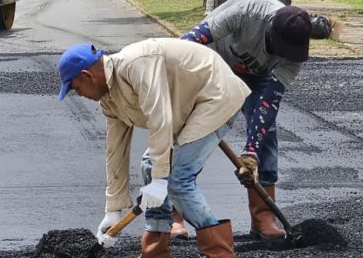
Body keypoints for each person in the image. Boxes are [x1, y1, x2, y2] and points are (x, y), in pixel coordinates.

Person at [58, 38, 251, 257]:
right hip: (184, 106)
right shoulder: (109, 99)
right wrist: (113, 208)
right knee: (151, 165)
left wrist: (161, 181)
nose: (80, 94)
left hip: (214, 94)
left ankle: (220, 253)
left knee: (177, 178)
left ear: (87, 75)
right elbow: (115, 150)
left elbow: (160, 120)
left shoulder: (136, 65)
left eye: (76, 88)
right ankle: (156, 252)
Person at [181, 0, 312, 240]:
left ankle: (263, 218)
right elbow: (192, 41)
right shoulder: (246, 11)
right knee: (188, 132)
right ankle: (173, 215)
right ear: (271, 31)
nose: (283, 56)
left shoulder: (294, 54)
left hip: (258, 76)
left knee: (266, 137)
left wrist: (251, 151)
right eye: (280, 49)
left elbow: (268, 102)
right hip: (213, 60)